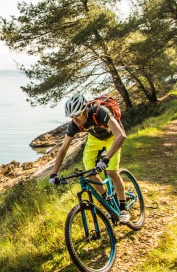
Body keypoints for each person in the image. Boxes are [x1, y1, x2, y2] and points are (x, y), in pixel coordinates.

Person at [49, 93, 130, 224]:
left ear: (85, 110)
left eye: (77, 115)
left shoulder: (100, 112)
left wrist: (106, 160)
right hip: (95, 139)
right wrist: (53, 173)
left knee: (111, 172)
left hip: (112, 138)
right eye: (72, 117)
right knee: (90, 173)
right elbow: (63, 149)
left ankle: (123, 209)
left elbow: (121, 136)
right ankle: (108, 202)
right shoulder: (74, 124)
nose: (75, 119)